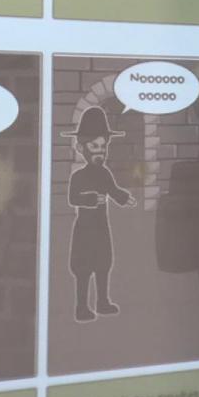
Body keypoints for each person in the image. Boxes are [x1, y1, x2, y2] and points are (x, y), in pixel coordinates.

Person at [63, 107, 135, 323]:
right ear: (81, 148)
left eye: (103, 147)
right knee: (83, 268)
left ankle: (102, 302)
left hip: (102, 228)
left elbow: (112, 189)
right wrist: (91, 199)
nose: (100, 152)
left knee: (103, 265)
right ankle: (81, 307)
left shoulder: (104, 173)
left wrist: (123, 197)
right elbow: (73, 198)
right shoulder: (78, 176)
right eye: (94, 146)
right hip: (84, 230)